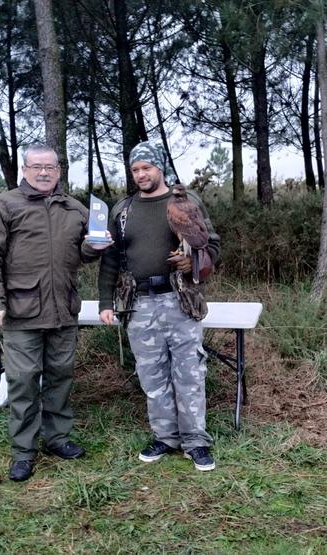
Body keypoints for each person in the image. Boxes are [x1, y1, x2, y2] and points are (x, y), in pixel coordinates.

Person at [0, 144, 112, 482]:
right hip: (21, 313)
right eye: (37, 167)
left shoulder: (74, 208)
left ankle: (57, 438)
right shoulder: (4, 205)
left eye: (50, 167)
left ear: (59, 171)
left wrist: (94, 246)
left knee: (60, 377)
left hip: (64, 310)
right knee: (22, 382)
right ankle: (23, 451)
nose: (44, 172)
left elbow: (83, 254)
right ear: (24, 169)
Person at [98, 141, 221, 471]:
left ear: (160, 168)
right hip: (138, 304)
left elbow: (213, 246)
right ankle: (165, 437)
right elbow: (110, 259)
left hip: (179, 301)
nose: (141, 174)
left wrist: (193, 262)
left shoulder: (185, 202)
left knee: (189, 374)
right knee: (152, 376)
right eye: (135, 169)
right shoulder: (122, 210)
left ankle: (195, 441)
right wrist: (106, 301)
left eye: (146, 168)